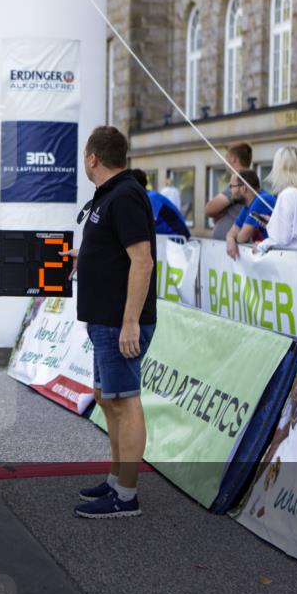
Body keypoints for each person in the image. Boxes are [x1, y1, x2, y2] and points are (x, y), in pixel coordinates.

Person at [66, 127, 156, 519]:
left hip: (120, 322)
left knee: (124, 401)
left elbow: (142, 260)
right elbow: (116, 253)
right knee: (107, 399)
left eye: (85, 156)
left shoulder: (125, 195)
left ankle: (126, 495)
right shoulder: (111, 195)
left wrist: (130, 322)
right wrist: (83, 258)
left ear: (93, 158)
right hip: (104, 319)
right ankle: (116, 479)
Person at [256, 146, 297, 253]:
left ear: (280, 167)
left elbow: (280, 238)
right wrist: (274, 221)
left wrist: (261, 246)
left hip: (290, 258)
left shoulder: (288, 194)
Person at [204, 142, 251, 240]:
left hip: (231, 248)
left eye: (226, 158)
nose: (225, 162)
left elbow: (209, 209)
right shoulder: (247, 179)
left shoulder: (239, 181)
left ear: (233, 159)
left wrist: (219, 212)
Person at [225, 170, 277, 259]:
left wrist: (235, 237)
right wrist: (230, 239)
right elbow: (231, 233)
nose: (230, 190)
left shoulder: (261, 200)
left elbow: (242, 238)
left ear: (244, 188)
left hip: (278, 257)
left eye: (232, 186)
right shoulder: (248, 204)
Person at [131, 169, 190, 239]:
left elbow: (147, 224)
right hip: (170, 238)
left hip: (178, 238)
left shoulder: (151, 198)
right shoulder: (148, 197)